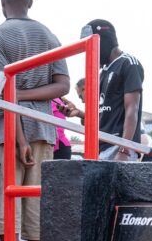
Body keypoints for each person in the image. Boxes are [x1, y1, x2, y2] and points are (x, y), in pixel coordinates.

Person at [0, 0, 70, 241]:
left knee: (8, 209)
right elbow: (63, 85)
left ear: (2, 1)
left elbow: (2, 91)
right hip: (44, 131)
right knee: (35, 211)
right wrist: (29, 98)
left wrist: (19, 131)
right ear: (30, 2)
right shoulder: (48, 35)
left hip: (7, 133)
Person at [57, 20, 145, 161]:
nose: (89, 51)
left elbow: (132, 109)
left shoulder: (128, 63)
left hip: (119, 146)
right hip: (100, 146)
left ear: (103, 41)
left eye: (90, 44)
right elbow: (104, 114)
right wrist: (79, 113)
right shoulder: (102, 72)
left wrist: (125, 150)